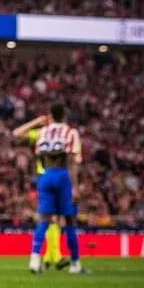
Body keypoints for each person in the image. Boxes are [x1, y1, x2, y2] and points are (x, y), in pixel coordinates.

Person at [28, 103, 84, 275]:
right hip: (63, 175)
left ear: (50, 115)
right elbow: (72, 160)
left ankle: (34, 259)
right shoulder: (70, 132)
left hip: (46, 175)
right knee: (69, 221)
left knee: (44, 219)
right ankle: (75, 263)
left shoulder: (43, 132)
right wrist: (74, 187)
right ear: (65, 116)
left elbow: (39, 154)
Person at [12, 114, 65, 270]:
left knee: (54, 218)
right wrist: (35, 122)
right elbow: (16, 133)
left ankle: (51, 257)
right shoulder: (42, 133)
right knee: (49, 217)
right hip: (47, 177)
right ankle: (52, 257)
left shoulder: (58, 133)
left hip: (54, 177)